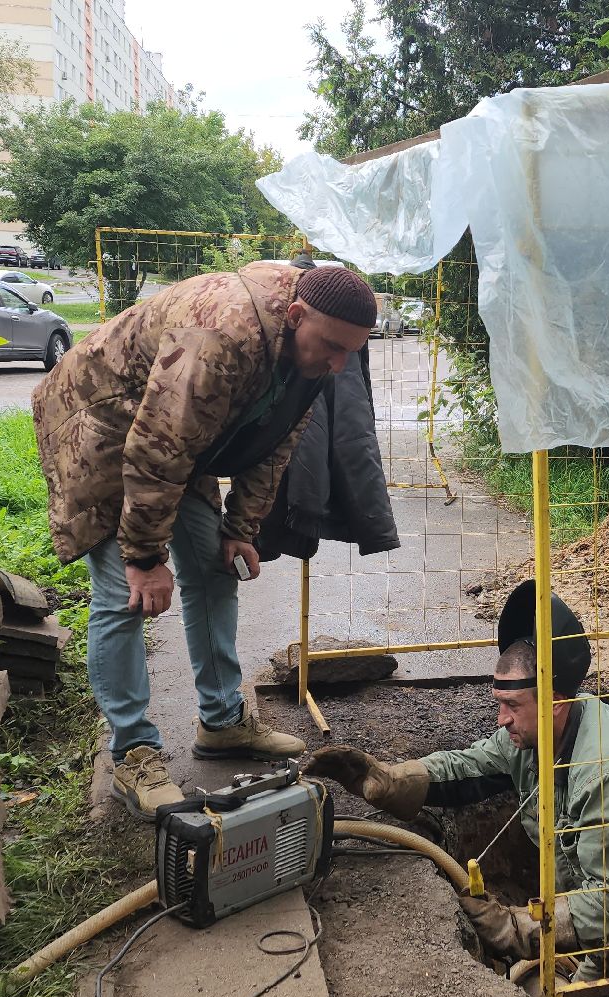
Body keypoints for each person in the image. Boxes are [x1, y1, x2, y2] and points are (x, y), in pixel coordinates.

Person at [33, 261, 378, 819]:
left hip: (176, 434)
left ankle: (221, 722)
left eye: (352, 352)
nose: (339, 365)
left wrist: (240, 529)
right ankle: (132, 753)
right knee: (125, 594)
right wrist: (145, 557)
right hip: (103, 424)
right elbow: (155, 448)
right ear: (296, 316)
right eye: (334, 348)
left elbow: (276, 441)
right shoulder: (221, 335)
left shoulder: (312, 348)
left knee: (215, 570)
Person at [307, 581, 609, 989]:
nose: (501, 719)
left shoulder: (606, 771)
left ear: (554, 702)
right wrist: (390, 780)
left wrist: (514, 928)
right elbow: (469, 768)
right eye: (499, 703)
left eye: (512, 705)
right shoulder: (536, 735)